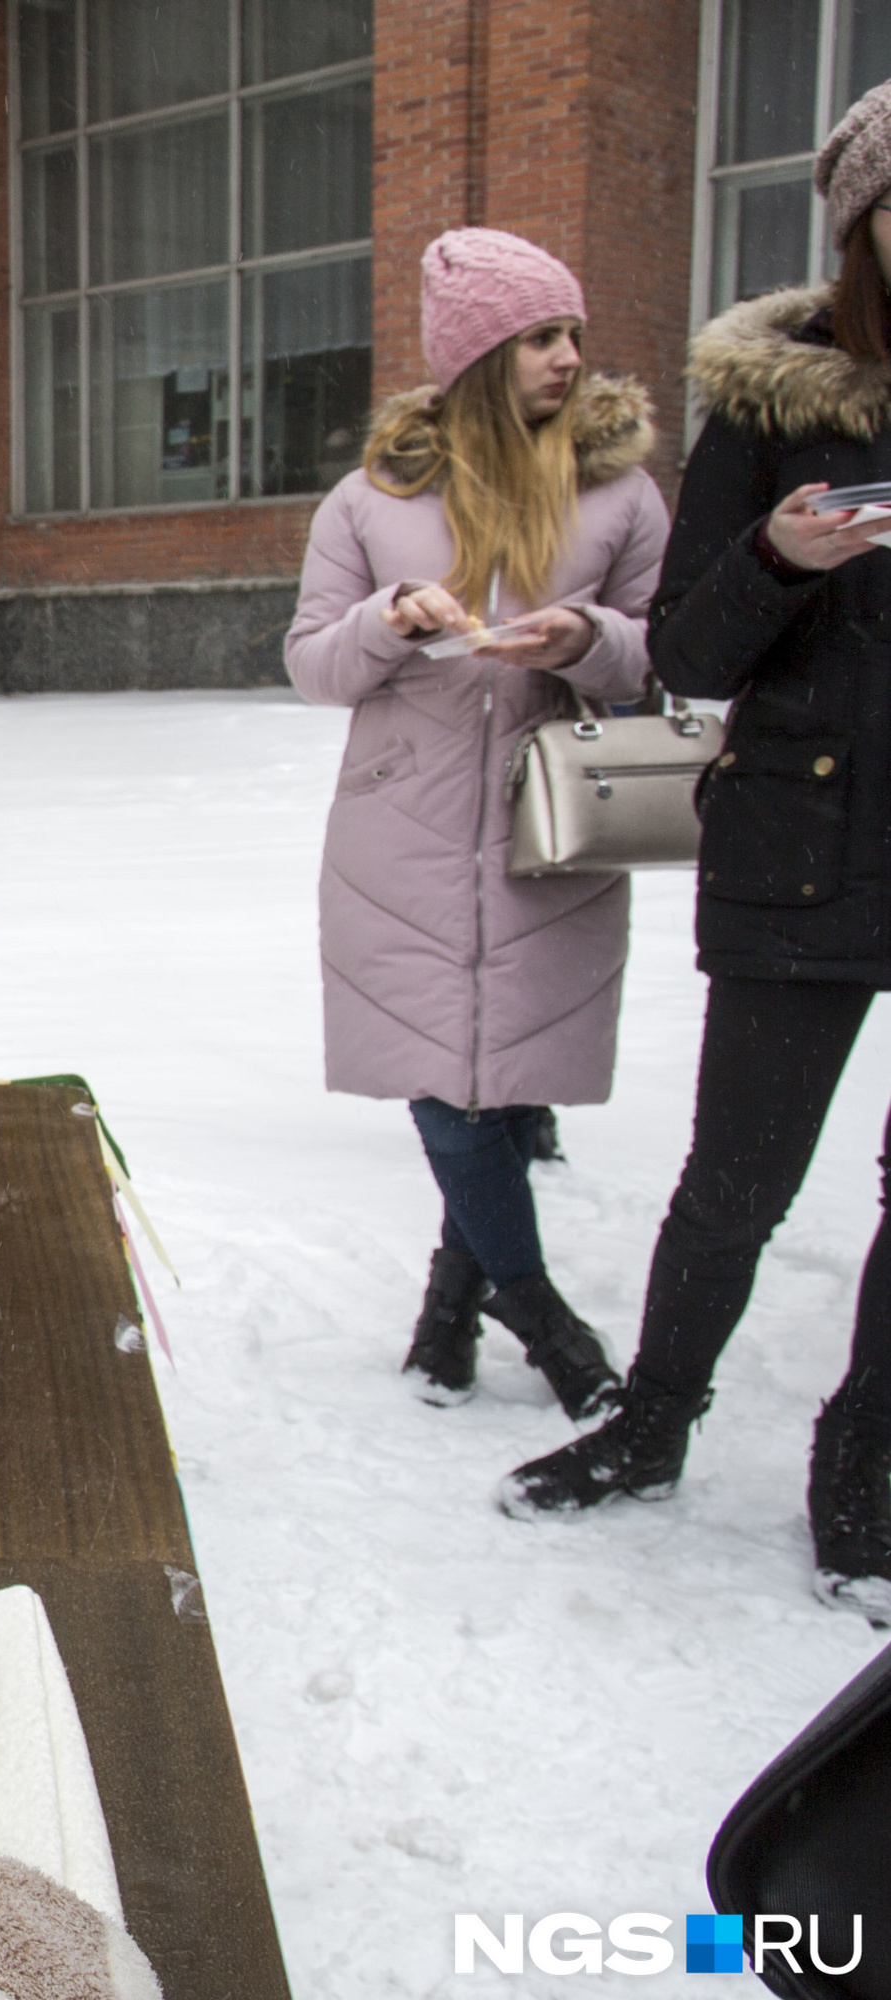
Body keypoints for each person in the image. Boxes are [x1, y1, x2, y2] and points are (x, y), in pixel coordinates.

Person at [503, 83, 891, 1619]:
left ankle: (864, 1473)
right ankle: (654, 1420)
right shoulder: (775, 405)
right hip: (803, 842)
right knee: (740, 1177)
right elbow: (694, 655)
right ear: (866, 226)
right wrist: (785, 556)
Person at [284, 228, 669, 1421]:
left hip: (553, 824)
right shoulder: (371, 497)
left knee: (496, 1088)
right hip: (399, 829)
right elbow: (311, 665)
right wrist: (392, 620)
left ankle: (452, 1309)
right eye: (544, 335)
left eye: (573, 335)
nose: (569, 358)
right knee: (444, 1089)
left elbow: (664, 658)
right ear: (480, 352)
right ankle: (539, 1311)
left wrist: (587, 640)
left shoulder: (622, 493)